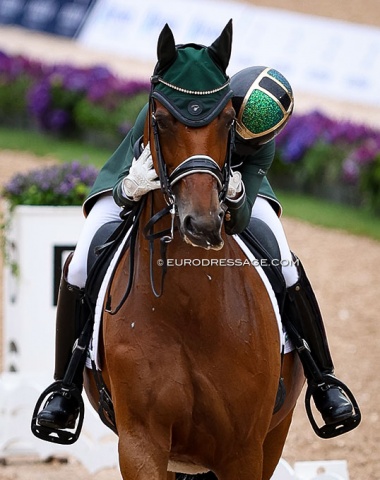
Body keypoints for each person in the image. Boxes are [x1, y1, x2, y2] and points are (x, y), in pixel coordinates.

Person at [35, 55, 356, 437]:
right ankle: (65, 387)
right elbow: (138, 180)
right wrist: (128, 187)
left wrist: (236, 197)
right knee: (78, 265)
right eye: (233, 125)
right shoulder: (173, 110)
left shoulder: (261, 149)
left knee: (284, 262)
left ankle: (323, 379)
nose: (237, 137)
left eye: (248, 139)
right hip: (140, 177)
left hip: (224, 189)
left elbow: (236, 221)